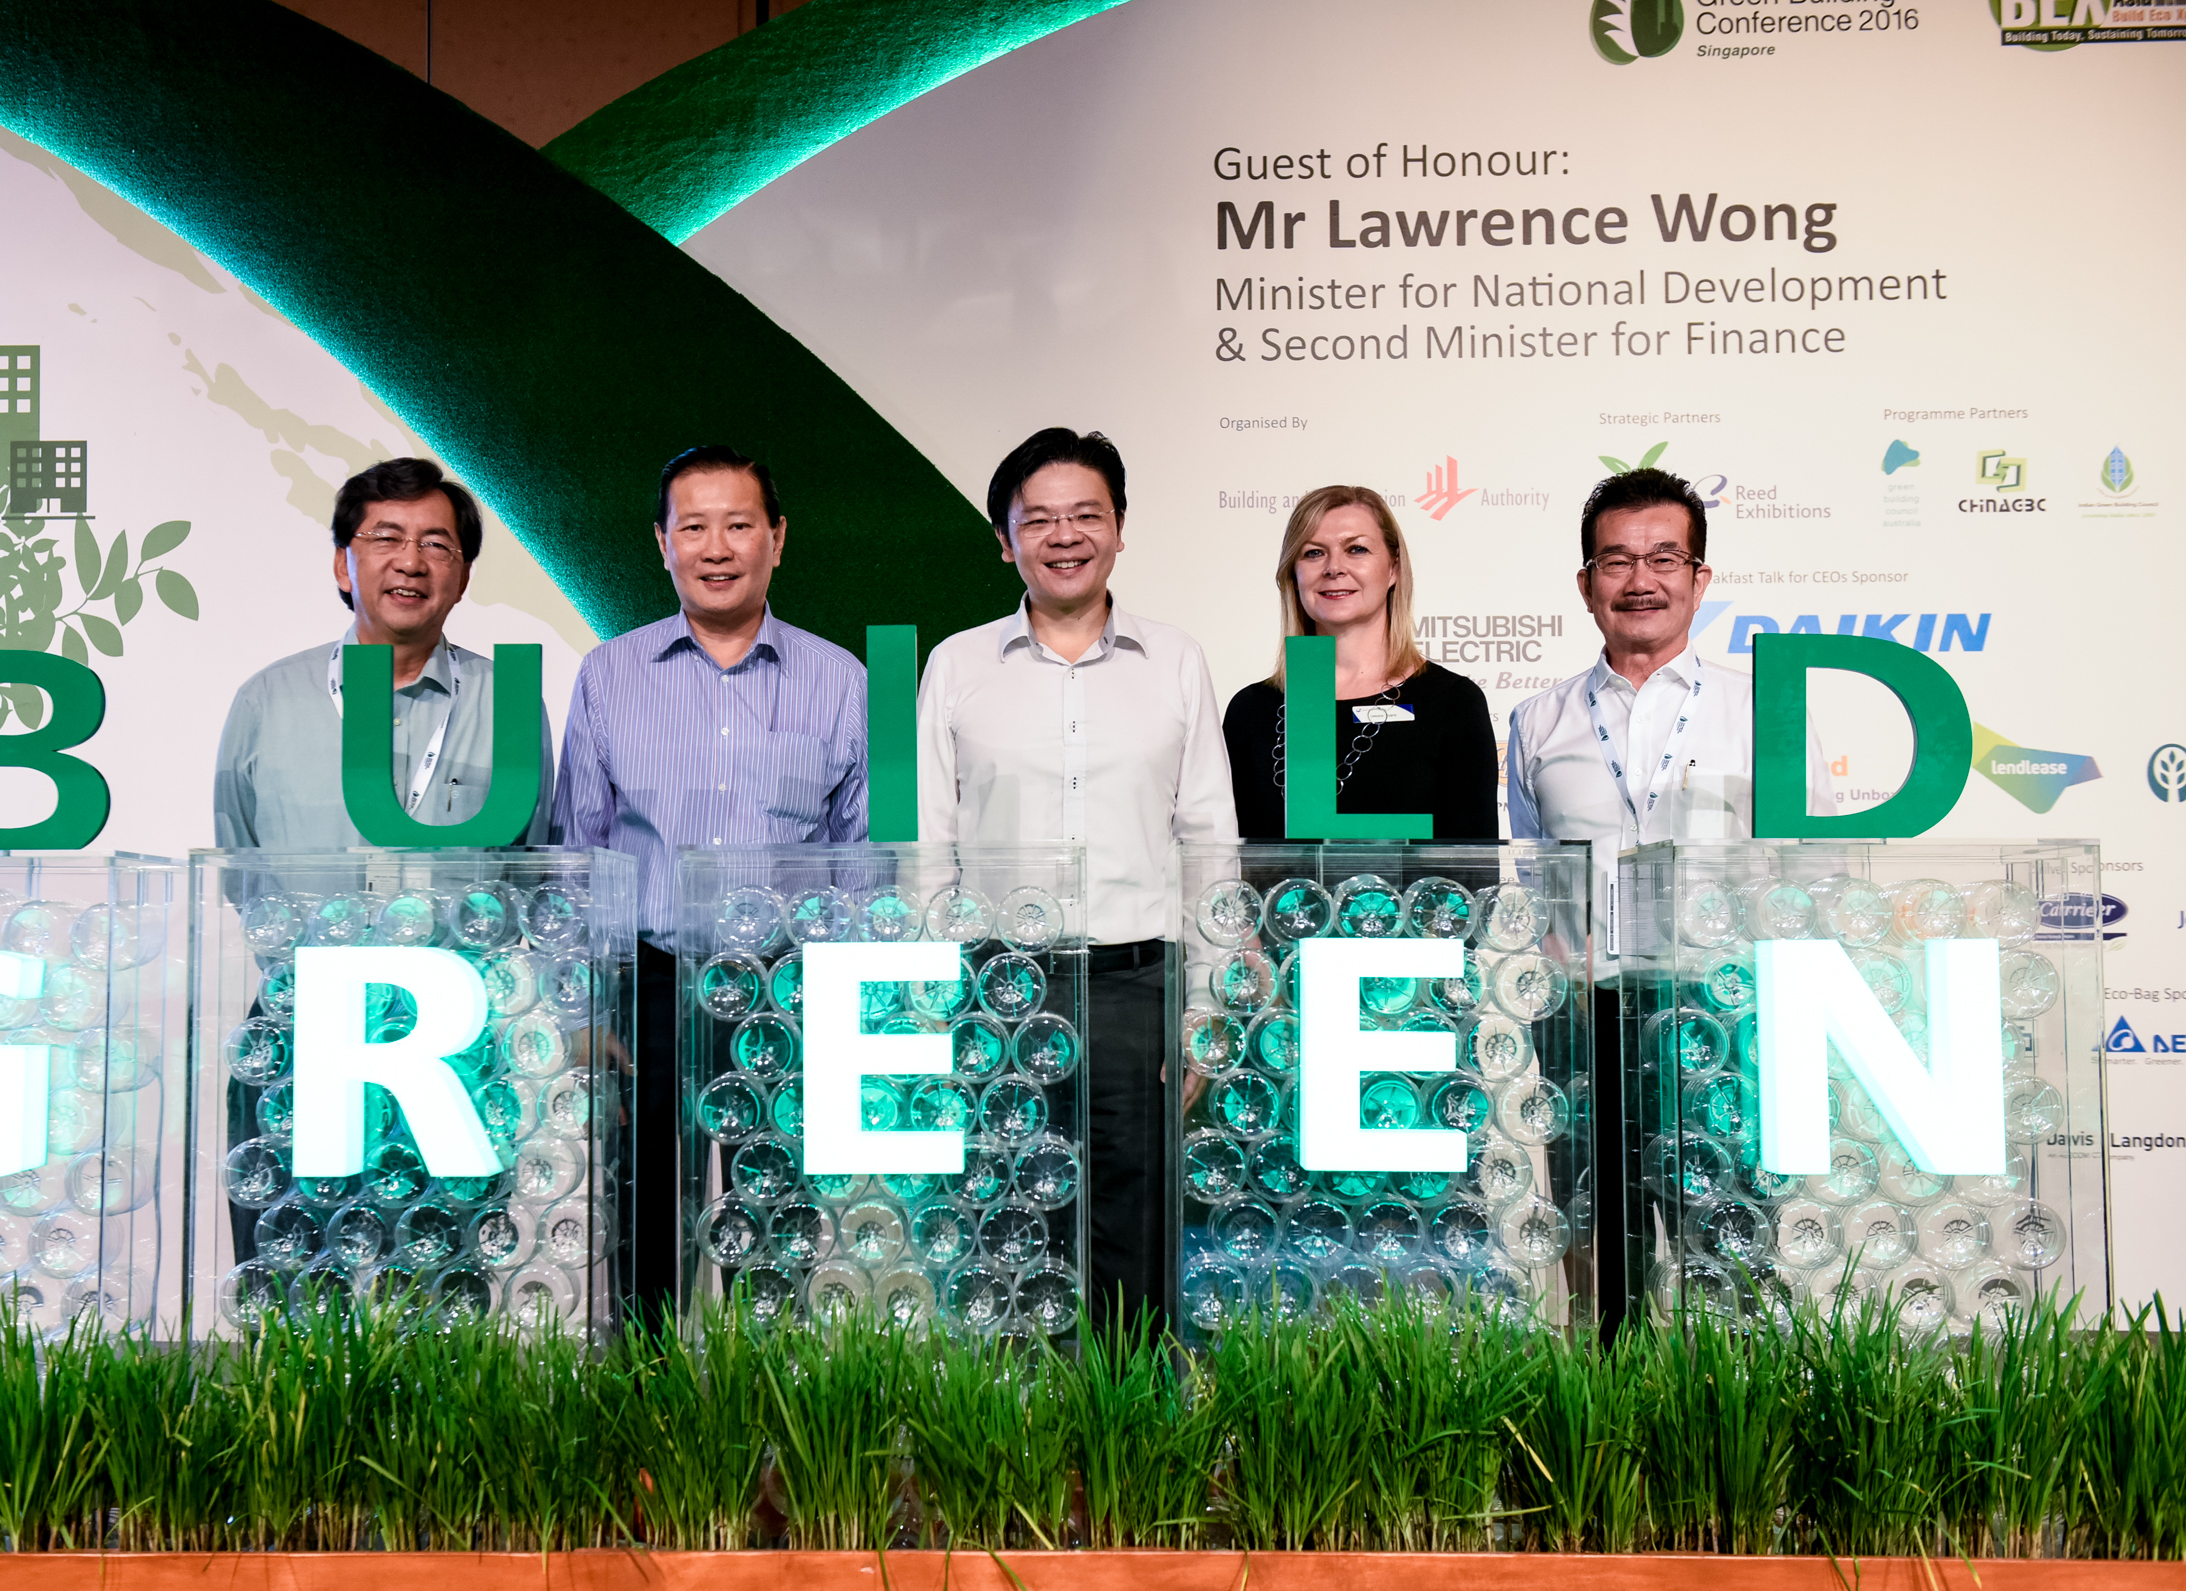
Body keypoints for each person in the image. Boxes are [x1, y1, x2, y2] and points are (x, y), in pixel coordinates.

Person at [916, 427, 1238, 1333]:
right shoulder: (958, 665)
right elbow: (927, 844)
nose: (1064, 535)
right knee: (1004, 1216)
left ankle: (1129, 1447)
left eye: (1085, 514)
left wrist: (1206, 1001)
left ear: (1121, 528)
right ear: (1003, 537)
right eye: (1040, 518)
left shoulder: (1174, 659)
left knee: (1138, 1220)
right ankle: (1012, 1450)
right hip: (997, 983)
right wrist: (936, 993)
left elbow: (1209, 837)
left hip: (1139, 983)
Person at [1504, 466, 1830, 1333]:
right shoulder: (1538, 723)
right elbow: (1540, 884)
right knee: (1598, 1257)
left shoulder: (1765, 710)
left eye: (1664, 558)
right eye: (1616, 561)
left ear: (1699, 579)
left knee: (1732, 1246)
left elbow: (1810, 879)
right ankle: (1608, 1444)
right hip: (1587, 1015)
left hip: (1719, 1013)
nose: (1640, 580)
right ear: (1585, 584)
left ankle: (1733, 1445)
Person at [553, 444, 868, 1321]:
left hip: (788, 996)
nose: (717, 546)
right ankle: (649, 1439)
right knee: (646, 1232)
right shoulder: (609, 676)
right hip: (653, 990)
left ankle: (772, 1440)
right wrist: (584, 1011)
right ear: (662, 542)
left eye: (739, 525)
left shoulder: (842, 682)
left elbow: (862, 865)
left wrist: (842, 1016)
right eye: (694, 526)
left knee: (777, 1239)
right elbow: (578, 857)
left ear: (777, 539)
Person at [212, 456, 552, 850]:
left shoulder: (508, 704)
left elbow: (530, 877)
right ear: (343, 564)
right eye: (386, 538)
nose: (410, 562)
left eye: (436, 545)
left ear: (463, 579)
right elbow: (242, 876)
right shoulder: (266, 701)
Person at [1221, 486, 1498, 840]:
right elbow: (1228, 868)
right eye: (1313, 552)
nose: (1334, 568)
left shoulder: (1452, 703)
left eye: (1357, 549)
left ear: (1394, 569)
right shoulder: (1252, 711)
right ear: (1294, 575)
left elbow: (1470, 874)